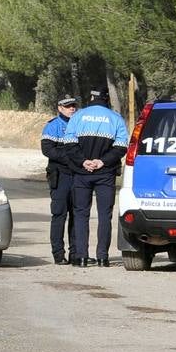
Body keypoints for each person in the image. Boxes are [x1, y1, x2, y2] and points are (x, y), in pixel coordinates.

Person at [61, 89, 129, 268]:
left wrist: (83, 161)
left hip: (81, 173)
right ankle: (102, 257)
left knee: (81, 214)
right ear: (106, 99)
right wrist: (102, 161)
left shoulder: (78, 116)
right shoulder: (116, 118)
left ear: (90, 99)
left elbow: (69, 144)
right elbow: (121, 147)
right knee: (104, 216)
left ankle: (82, 257)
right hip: (105, 173)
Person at [41, 95, 79, 264]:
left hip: (77, 176)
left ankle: (76, 253)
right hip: (60, 175)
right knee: (59, 215)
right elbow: (48, 150)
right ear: (60, 108)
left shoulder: (80, 125)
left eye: (74, 106)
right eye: (68, 106)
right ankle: (58, 254)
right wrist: (70, 158)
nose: (72, 108)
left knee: (77, 215)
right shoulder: (53, 126)